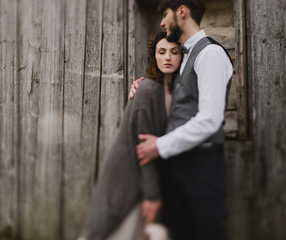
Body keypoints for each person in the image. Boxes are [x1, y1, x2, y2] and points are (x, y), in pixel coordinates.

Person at [131, 0, 234, 240]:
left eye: (165, 15)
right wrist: (142, 84)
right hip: (177, 167)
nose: (162, 22)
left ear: (182, 11)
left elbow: (209, 120)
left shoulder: (210, 54)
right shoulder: (184, 55)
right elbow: (174, 88)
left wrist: (159, 145)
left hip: (201, 168)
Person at [80, 32, 182, 240]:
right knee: (110, 232)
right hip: (128, 173)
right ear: (154, 56)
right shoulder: (147, 89)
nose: (168, 58)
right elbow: (143, 147)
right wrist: (152, 194)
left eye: (174, 52)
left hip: (151, 176)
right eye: (161, 52)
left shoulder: (181, 92)